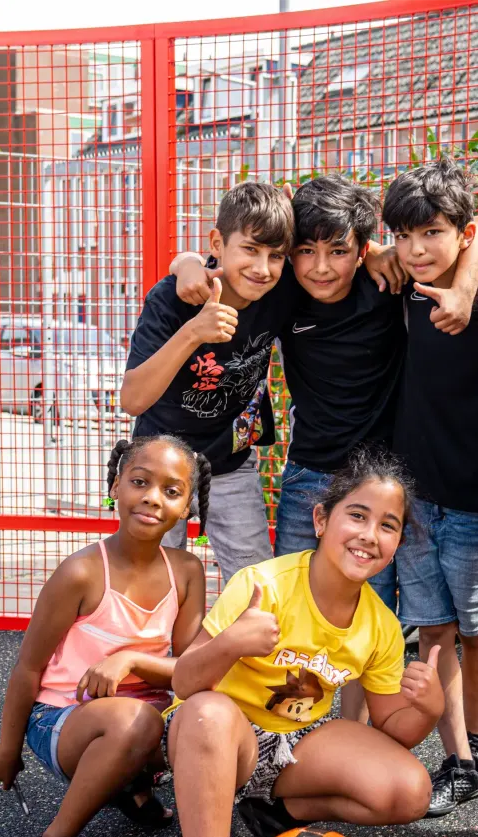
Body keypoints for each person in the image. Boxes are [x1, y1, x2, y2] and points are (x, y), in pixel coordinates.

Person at [162, 450, 442, 837]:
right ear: (321, 520)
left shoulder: (380, 624)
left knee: (411, 790)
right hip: (214, 736)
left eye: (388, 525)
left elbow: (393, 730)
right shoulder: (261, 586)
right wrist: (232, 644)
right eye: (356, 515)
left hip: (291, 742)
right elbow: (183, 682)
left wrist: (429, 707)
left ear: (397, 542)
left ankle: (276, 813)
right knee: (209, 716)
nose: (369, 534)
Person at [169, 174, 478, 611]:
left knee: (366, 610)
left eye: (338, 252)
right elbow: (213, 261)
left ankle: (355, 682)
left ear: (360, 252)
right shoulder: (283, 290)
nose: (321, 268)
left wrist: (453, 284)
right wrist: (187, 262)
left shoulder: (390, 285)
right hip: (308, 474)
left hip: (374, 481)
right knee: (289, 604)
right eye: (305, 252)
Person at [0, 435, 210, 837]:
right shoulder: (82, 573)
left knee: (209, 713)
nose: (152, 497)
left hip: (139, 715)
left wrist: (131, 661)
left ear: (189, 505)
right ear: (115, 486)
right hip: (63, 719)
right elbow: (29, 667)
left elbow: (189, 671)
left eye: (172, 491)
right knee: (139, 721)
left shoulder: (187, 570)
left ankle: (128, 785)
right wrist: (8, 750)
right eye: (140, 482)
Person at [381, 159, 478, 816]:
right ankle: (457, 757)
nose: (416, 248)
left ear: (460, 234)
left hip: (475, 497)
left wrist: (473, 258)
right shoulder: (401, 284)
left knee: (477, 626)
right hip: (413, 494)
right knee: (433, 628)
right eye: (405, 235)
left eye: (431, 232)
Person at [120, 181, 293, 583]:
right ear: (217, 242)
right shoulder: (171, 299)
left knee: (255, 582)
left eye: (275, 255)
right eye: (249, 250)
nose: (262, 268)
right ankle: (154, 648)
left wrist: (376, 254)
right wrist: (193, 332)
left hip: (230, 461)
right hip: (159, 462)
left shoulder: (280, 292)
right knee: (149, 580)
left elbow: (329, 252)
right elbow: (133, 399)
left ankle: (241, 648)